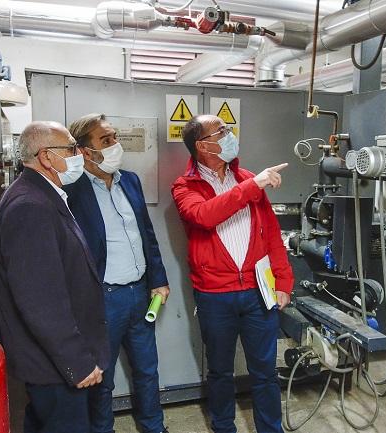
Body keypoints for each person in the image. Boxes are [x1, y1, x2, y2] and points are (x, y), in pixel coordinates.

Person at [171, 114, 294, 433]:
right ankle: (224, 426)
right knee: (221, 371)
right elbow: (205, 215)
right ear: (202, 145)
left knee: (265, 371)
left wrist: (283, 281)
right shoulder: (185, 187)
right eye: (221, 131)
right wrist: (254, 185)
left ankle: (271, 429)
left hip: (258, 292)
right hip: (215, 296)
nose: (229, 135)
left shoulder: (247, 178)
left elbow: (271, 233)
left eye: (228, 129)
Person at [0, 121, 110, 433]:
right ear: (46, 157)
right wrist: (77, 362)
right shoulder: (30, 205)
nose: (78, 154)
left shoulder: (42, 194)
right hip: (53, 366)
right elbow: (41, 300)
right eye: (69, 149)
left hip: (52, 362)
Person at [64, 113, 170, 433]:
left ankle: (154, 427)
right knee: (103, 377)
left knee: (147, 371)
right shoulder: (72, 190)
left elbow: (146, 234)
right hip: (103, 299)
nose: (115, 145)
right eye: (106, 140)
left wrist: (159, 279)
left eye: (115, 138)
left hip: (140, 294)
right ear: (84, 150)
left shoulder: (131, 180)